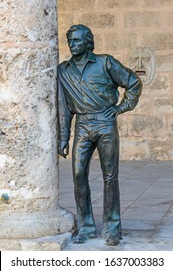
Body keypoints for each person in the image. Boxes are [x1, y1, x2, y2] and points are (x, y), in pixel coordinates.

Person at [57, 24, 142, 246]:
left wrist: (121, 108)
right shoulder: (63, 70)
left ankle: (112, 228)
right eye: (70, 40)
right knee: (78, 174)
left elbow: (133, 83)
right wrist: (64, 137)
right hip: (83, 126)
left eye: (76, 40)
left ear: (88, 42)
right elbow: (64, 108)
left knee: (110, 176)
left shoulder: (105, 62)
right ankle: (86, 227)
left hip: (105, 124)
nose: (72, 44)